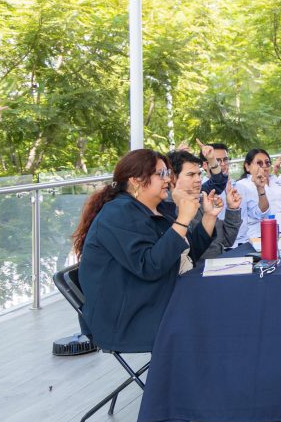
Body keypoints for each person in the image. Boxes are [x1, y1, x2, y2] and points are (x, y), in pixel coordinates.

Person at [72, 149, 219, 353]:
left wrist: (209, 216)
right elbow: (150, 266)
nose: (168, 179)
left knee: (226, 300)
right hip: (130, 317)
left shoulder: (157, 210)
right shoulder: (118, 214)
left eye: (168, 173)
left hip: (159, 296)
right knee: (219, 315)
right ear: (136, 181)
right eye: (160, 174)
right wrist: (182, 220)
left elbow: (185, 254)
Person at [167, 149, 244, 258]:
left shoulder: (202, 199)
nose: (198, 179)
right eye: (191, 174)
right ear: (172, 178)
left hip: (220, 263)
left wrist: (232, 209)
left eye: (199, 174)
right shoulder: (166, 208)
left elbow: (227, 240)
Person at [232, 149, 281, 247]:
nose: (264, 166)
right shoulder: (242, 186)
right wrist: (260, 189)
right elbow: (257, 215)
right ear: (247, 167)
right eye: (259, 163)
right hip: (261, 235)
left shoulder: (277, 180)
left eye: (267, 162)